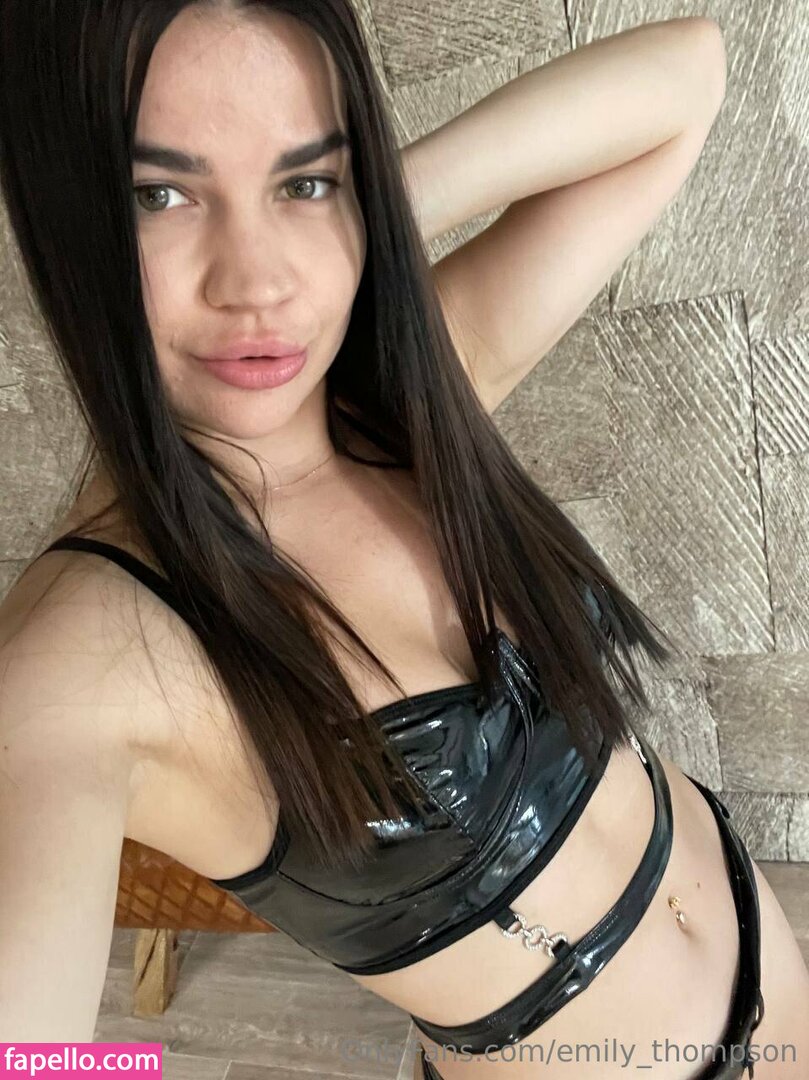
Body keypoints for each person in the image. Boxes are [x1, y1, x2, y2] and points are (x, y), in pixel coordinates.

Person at [0, 1, 807, 1076]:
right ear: (63, 215)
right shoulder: (81, 659)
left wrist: (359, 225)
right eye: (160, 193)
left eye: (305, 178)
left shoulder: (409, 402)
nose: (260, 283)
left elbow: (684, 77)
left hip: (771, 958)